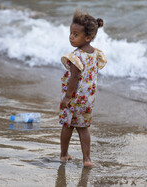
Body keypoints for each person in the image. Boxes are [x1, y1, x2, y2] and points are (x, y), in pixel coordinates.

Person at [59, 9, 107, 167]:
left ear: (88, 37)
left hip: (73, 99)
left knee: (68, 126)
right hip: (87, 100)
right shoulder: (95, 54)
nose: (71, 37)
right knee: (83, 128)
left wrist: (67, 97)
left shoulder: (76, 56)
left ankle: (64, 155)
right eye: (71, 33)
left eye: (75, 34)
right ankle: (87, 159)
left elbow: (74, 78)